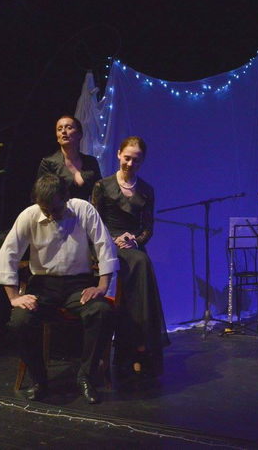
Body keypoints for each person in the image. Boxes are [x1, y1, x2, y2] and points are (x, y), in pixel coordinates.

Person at [0, 174, 119, 404]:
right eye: (45, 210)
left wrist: (102, 286)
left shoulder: (83, 209)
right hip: (43, 287)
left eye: (55, 209)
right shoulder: (30, 215)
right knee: (20, 320)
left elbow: (105, 246)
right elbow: (7, 254)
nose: (50, 215)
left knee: (102, 312)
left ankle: (86, 376)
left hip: (78, 286)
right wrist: (13, 297)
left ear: (66, 197)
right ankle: (39, 380)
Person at [91, 136, 169, 377]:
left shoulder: (146, 190)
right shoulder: (102, 186)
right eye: (127, 158)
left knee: (141, 263)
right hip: (107, 243)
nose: (130, 164)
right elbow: (95, 223)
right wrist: (113, 239)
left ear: (142, 161)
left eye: (136, 160)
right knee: (140, 262)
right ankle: (133, 348)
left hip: (133, 245)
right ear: (118, 154)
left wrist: (134, 240)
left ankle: (139, 347)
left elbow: (148, 229)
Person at [37, 115, 102, 201]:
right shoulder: (48, 163)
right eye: (59, 129)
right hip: (58, 209)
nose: (63, 131)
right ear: (57, 137)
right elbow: (42, 195)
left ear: (79, 134)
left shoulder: (90, 162)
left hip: (84, 209)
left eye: (69, 128)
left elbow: (100, 194)